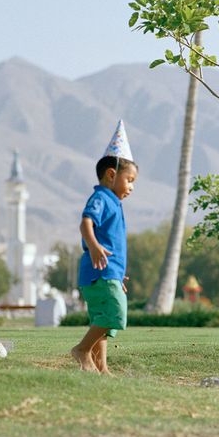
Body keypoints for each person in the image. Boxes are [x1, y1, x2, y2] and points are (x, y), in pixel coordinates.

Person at [70, 120, 138, 374]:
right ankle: (81, 350)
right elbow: (86, 222)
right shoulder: (101, 198)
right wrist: (94, 246)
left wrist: (118, 275)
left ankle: (101, 368)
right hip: (99, 271)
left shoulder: (114, 203)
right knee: (115, 315)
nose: (131, 187)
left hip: (107, 273)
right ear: (112, 174)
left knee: (103, 323)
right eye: (129, 180)